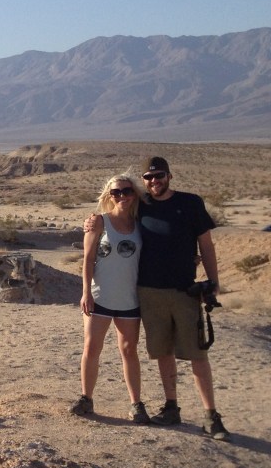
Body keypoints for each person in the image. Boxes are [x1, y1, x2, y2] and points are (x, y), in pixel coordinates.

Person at [86, 156, 228, 441]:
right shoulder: (141, 206)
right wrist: (93, 221)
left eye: (159, 175)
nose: (154, 181)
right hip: (149, 293)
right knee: (163, 352)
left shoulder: (190, 203)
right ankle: (171, 406)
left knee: (197, 353)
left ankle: (211, 416)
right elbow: (114, 215)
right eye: (149, 177)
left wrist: (213, 282)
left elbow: (207, 246)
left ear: (169, 176)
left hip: (185, 291)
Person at [72, 174, 147, 423]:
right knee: (92, 347)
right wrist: (85, 292)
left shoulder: (141, 223)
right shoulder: (99, 222)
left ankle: (136, 404)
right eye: (116, 192)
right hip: (100, 296)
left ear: (135, 194)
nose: (122, 196)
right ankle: (86, 398)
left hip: (129, 298)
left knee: (129, 350)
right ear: (109, 195)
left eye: (127, 191)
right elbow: (88, 259)